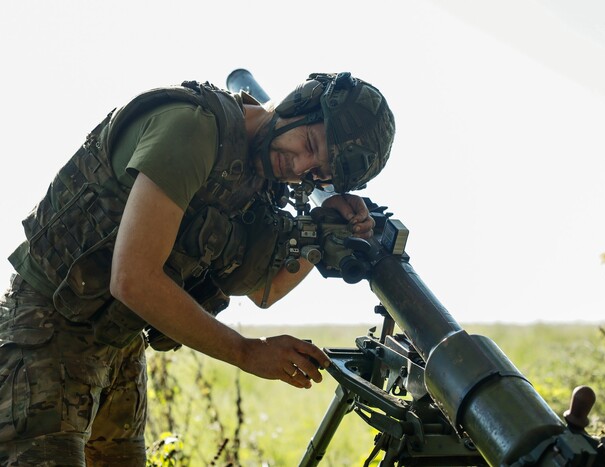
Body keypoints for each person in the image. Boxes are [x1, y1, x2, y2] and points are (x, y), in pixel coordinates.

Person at [0, 71, 395, 465]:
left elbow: (264, 291)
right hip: (46, 334)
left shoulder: (257, 180)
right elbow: (133, 278)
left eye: (315, 173)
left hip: (116, 345)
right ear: (299, 104)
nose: (299, 165)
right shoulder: (194, 131)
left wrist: (321, 231)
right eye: (308, 143)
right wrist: (246, 352)